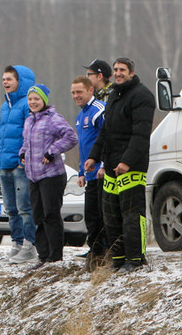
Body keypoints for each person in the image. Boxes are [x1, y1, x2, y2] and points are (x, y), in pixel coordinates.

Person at [85, 57, 155, 274]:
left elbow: (140, 135)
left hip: (131, 166)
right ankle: (118, 259)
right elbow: (106, 131)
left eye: (122, 70)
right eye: (115, 70)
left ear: (131, 73)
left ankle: (135, 259)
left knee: (131, 214)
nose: (118, 73)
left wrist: (127, 161)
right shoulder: (114, 94)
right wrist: (94, 157)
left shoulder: (142, 96)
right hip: (112, 165)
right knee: (111, 214)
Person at [19, 84, 78, 269]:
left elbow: (70, 137)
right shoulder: (29, 120)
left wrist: (52, 151)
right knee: (38, 216)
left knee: (51, 215)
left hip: (51, 175)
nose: (33, 102)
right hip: (33, 175)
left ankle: (55, 257)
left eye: (37, 99)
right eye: (30, 99)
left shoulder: (53, 119)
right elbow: (26, 143)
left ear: (44, 100)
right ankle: (43, 256)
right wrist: (22, 154)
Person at [0, 65, 38, 264]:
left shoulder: (25, 105)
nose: (5, 82)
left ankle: (30, 245)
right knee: (10, 208)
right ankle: (17, 243)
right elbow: (1, 136)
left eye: (10, 79)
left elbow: (29, 135)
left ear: (21, 82)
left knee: (24, 207)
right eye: (4, 79)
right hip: (4, 164)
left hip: (19, 166)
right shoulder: (5, 106)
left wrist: (24, 160)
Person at [71, 76, 106, 271]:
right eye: (73, 93)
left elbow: (106, 138)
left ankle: (103, 250)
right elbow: (83, 147)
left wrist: (103, 165)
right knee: (90, 215)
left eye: (79, 92)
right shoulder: (79, 116)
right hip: (89, 175)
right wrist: (81, 172)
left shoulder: (99, 110)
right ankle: (94, 250)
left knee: (101, 214)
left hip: (101, 173)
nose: (76, 96)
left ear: (90, 91)